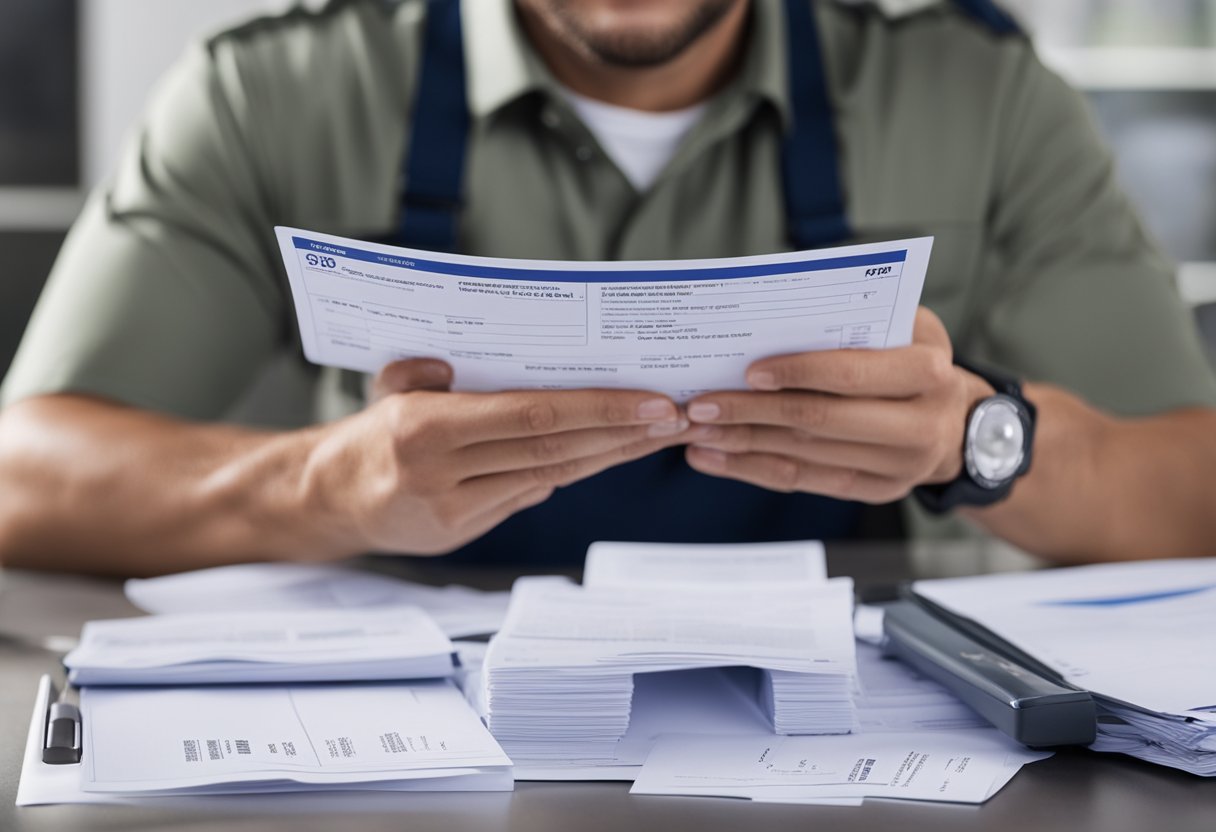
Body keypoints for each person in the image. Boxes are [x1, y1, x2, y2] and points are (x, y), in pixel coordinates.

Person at [0, 0, 1214, 577]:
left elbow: (1191, 491)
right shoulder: (271, 92)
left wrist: (971, 440)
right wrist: (321, 485)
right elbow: (24, 470)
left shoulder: (983, 97)